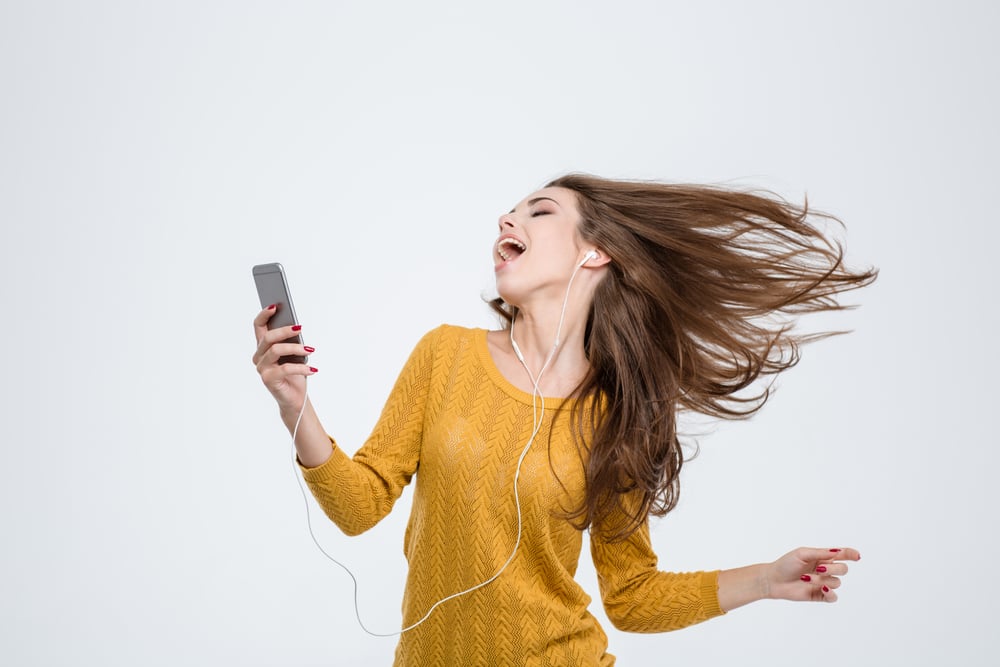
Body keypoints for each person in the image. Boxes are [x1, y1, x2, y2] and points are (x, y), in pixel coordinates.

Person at [252, 173, 877, 666]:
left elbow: (632, 596)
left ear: (596, 252)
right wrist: (295, 406)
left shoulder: (618, 417)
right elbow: (358, 508)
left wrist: (764, 579)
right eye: (510, 212)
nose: (508, 219)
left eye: (539, 211)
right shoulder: (445, 355)